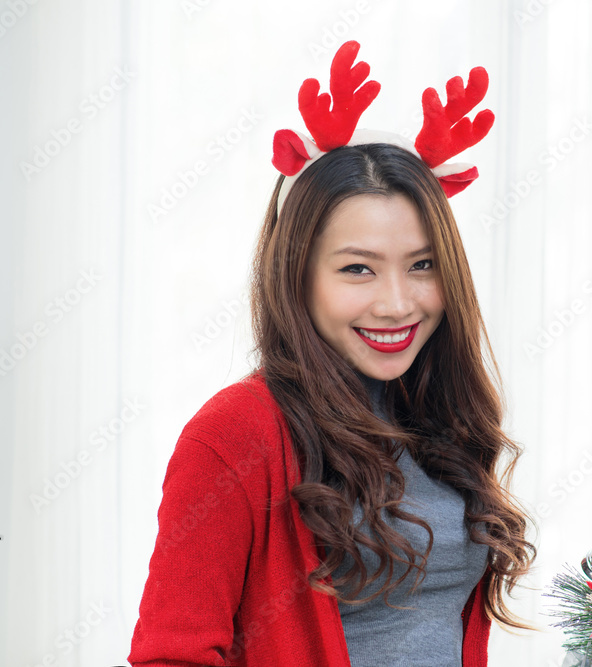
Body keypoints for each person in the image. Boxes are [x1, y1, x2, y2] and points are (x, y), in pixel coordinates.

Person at [128, 41, 536, 667]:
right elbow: (171, 655)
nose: (398, 303)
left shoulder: (439, 419)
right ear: (298, 275)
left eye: (422, 265)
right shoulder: (234, 435)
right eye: (357, 270)